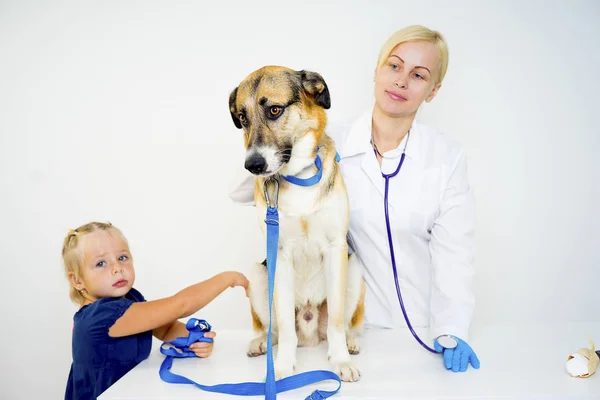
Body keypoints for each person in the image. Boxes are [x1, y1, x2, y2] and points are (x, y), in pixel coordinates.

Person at [228, 25, 480, 372]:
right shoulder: (327, 143)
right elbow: (250, 192)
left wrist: (453, 326)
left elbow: (457, 252)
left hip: (424, 326)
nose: (401, 81)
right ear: (376, 69)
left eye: (418, 75)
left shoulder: (446, 158)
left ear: (433, 91)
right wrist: (276, 163)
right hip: (356, 326)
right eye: (394, 66)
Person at [62, 221, 249, 400]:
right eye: (101, 263)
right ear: (77, 280)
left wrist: (194, 339)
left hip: (131, 389)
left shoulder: (129, 298)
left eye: (122, 257)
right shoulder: (100, 317)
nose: (117, 268)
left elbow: (164, 329)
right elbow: (180, 305)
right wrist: (226, 279)